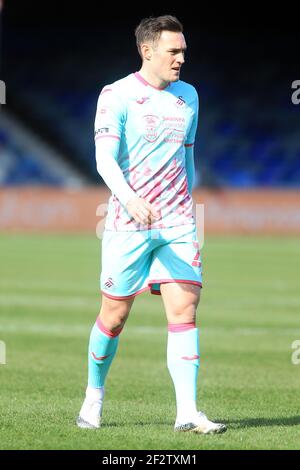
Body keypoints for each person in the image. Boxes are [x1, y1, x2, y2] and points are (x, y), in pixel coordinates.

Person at [77, 15, 227, 435]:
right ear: (147, 51)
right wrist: (130, 199)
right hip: (128, 220)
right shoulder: (117, 94)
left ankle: (187, 413)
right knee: (115, 315)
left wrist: (187, 200)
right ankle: (94, 396)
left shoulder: (189, 96)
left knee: (185, 310)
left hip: (178, 219)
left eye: (183, 50)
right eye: (173, 51)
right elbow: (104, 158)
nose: (182, 58)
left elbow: (188, 155)